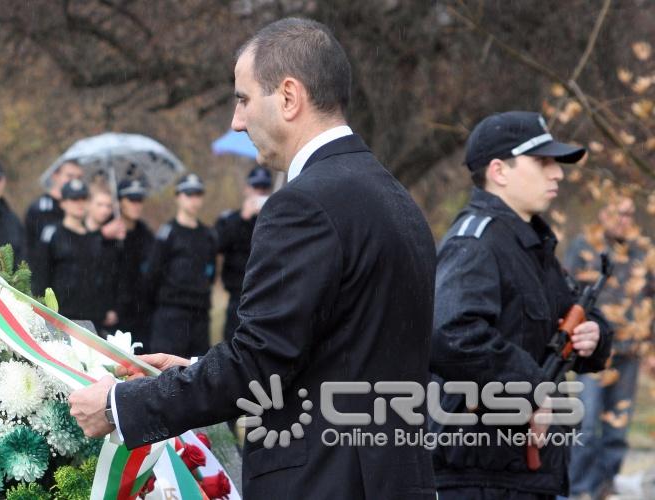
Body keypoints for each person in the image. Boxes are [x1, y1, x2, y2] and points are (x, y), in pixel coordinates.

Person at [69, 18, 438, 499]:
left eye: (243, 99)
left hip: (325, 481)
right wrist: (198, 368)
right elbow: (331, 350)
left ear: (288, 97)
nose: (236, 121)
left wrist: (124, 404)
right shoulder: (395, 197)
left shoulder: (302, 204)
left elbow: (258, 362)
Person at [429, 111, 613, 500]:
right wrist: (532, 389)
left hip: (524, 473)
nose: (557, 174)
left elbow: (565, 314)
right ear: (499, 171)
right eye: (542, 162)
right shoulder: (475, 242)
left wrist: (593, 336)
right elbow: (451, 335)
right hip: (480, 474)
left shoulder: (532, 245)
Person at [565, 194, 654, 500]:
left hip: (628, 353)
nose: (623, 220)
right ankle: (580, 490)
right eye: (618, 213)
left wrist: (651, 347)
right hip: (591, 356)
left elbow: (652, 300)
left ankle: (605, 487)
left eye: (629, 214)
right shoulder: (583, 247)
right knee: (586, 425)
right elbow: (567, 296)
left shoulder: (642, 253)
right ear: (603, 213)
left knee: (617, 430)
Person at [144, 173, 218, 358]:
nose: (193, 199)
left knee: (196, 368)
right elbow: (153, 273)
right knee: (165, 370)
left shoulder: (208, 234)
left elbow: (211, 272)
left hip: (199, 314)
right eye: (188, 194)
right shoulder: (168, 233)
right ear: (178, 197)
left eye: (198, 194)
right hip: (171, 313)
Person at [215, 165, 272, 344]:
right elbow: (216, 245)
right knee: (232, 342)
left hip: (265, 293)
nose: (259, 193)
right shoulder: (230, 219)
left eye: (264, 189)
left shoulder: (274, 219)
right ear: (247, 189)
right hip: (236, 292)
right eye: (256, 188)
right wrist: (243, 218)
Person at [42, 179, 102, 324]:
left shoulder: (94, 238)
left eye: (83, 198)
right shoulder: (52, 234)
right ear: (63, 203)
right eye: (74, 199)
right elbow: (41, 273)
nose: (80, 203)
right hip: (60, 315)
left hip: (89, 317)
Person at [26, 160, 84, 295]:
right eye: (69, 176)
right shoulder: (41, 209)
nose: (74, 182)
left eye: (79, 177)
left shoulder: (82, 209)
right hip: (47, 282)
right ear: (55, 176)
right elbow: (39, 252)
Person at [114, 179, 155, 350]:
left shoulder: (146, 234)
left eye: (139, 200)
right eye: (132, 200)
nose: (137, 205)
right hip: (115, 312)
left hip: (141, 311)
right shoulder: (108, 232)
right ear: (120, 202)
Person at [84, 183, 122, 334]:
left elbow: (114, 277)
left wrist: (113, 307)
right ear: (88, 204)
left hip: (103, 312)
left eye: (109, 206)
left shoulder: (114, 241)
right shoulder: (77, 234)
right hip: (78, 309)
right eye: (100, 204)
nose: (105, 210)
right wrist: (101, 235)